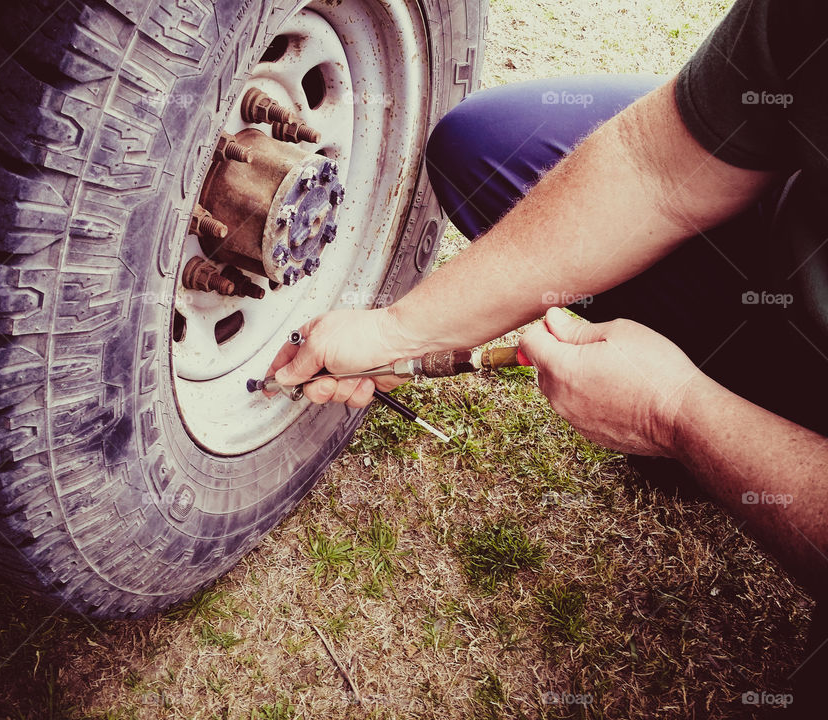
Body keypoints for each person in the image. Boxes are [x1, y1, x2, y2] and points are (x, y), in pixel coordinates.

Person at [267, 0, 827, 712]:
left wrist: (677, 411)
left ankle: (742, 431)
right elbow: (653, 168)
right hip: (793, 254)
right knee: (494, 144)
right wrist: (398, 331)